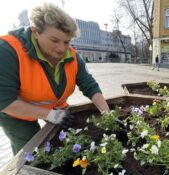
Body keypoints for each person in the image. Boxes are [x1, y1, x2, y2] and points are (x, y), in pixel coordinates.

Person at [0, 3, 110, 155]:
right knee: (32, 153)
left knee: (72, 136)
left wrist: (107, 113)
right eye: (54, 40)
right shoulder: (8, 51)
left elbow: (89, 85)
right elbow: (5, 102)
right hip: (16, 114)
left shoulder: (71, 56)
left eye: (66, 41)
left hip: (54, 107)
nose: (61, 48)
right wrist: (50, 115)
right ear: (35, 31)